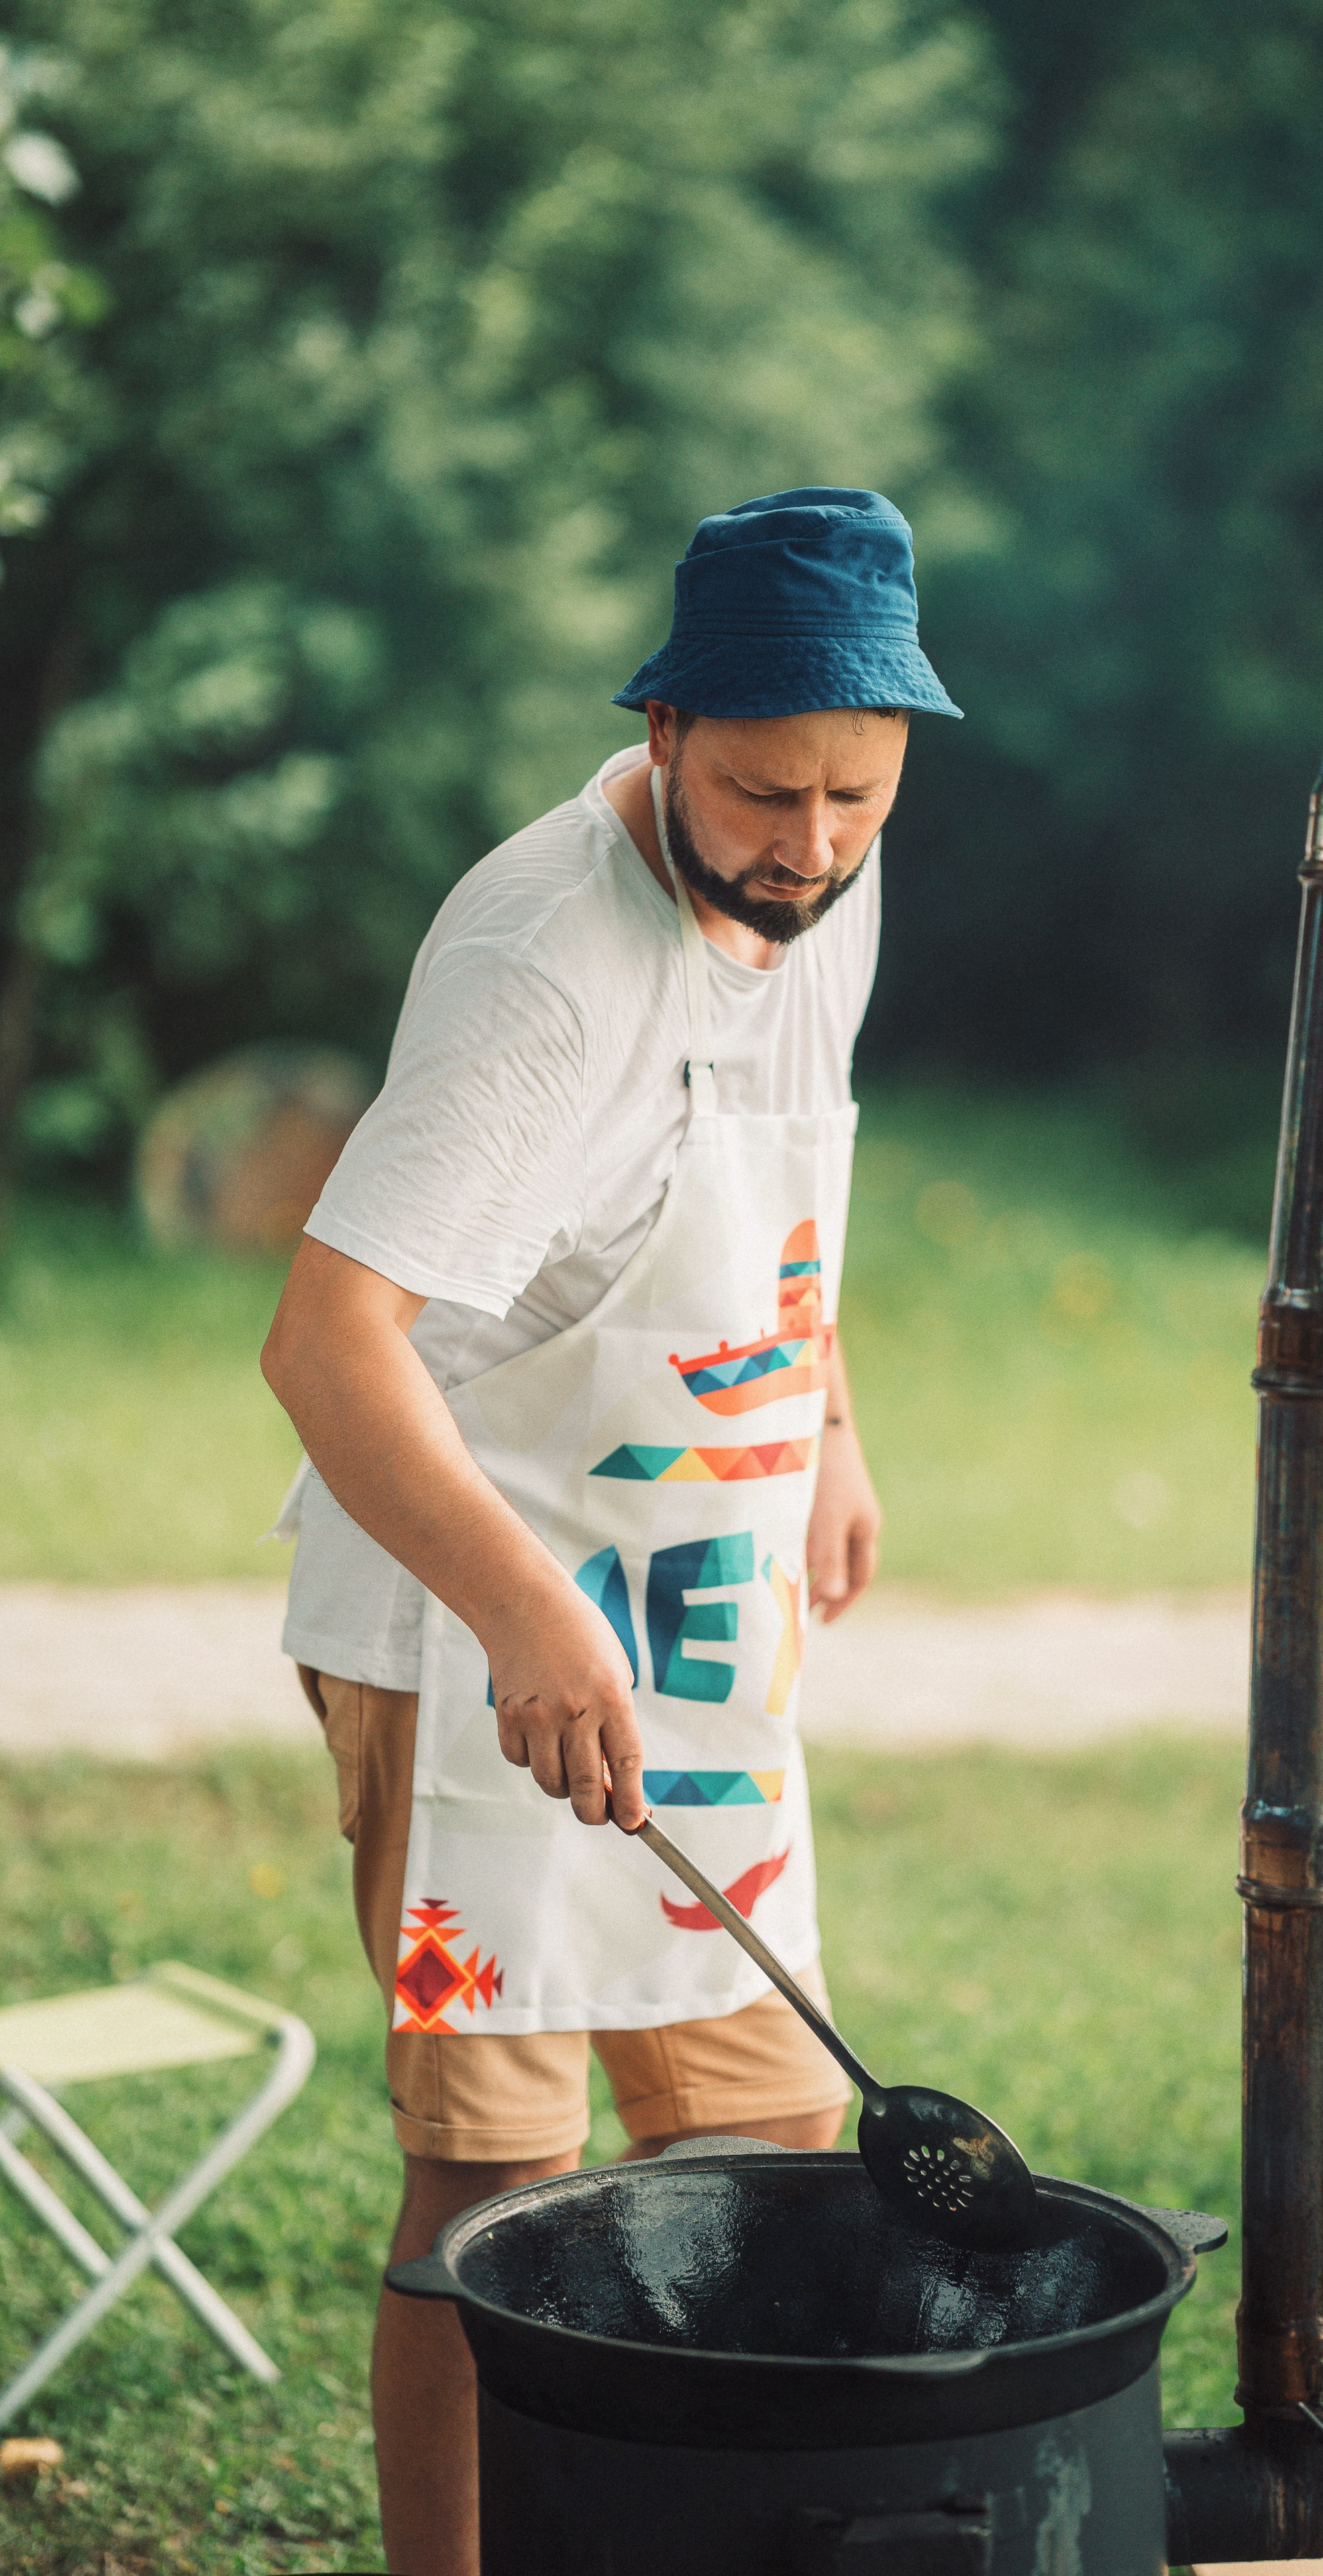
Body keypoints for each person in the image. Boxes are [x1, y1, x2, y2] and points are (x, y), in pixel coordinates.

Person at [260, 487, 961, 2576]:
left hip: (704, 1592)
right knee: (502, 2178)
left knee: (761, 2133)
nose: (812, 842)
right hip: (466, 1599)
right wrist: (526, 1616)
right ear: (662, 733)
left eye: (857, 792)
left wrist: (827, 1422)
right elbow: (326, 1345)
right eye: (765, 791)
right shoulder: (546, 963)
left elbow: (790, 1182)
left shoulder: (825, 880)